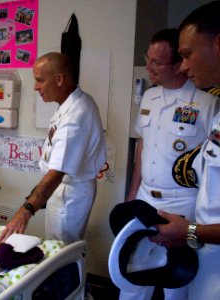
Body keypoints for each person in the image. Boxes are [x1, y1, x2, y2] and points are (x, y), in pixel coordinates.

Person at [123, 28, 219, 300]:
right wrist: (132, 195)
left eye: (157, 62)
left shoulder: (207, 103)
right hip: (145, 198)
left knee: (175, 283)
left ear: (179, 64)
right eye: (148, 59)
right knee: (132, 277)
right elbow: (143, 146)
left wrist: (192, 226)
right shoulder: (150, 97)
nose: (149, 67)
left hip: (183, 204)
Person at [148, 2, 220, 299]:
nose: (185, 65)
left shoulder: (206, 105)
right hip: (207, 255)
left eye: (188, 54)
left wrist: (189, 232)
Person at [0, 52, 107, 244]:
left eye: (40, 80)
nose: (35, 87)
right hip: (65, 189)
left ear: (59, 79)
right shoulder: (71, 104)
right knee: (61, 248)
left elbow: (56, 172)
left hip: (69, 193)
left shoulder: (76, 114)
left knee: (61, 250)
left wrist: (26, 211)